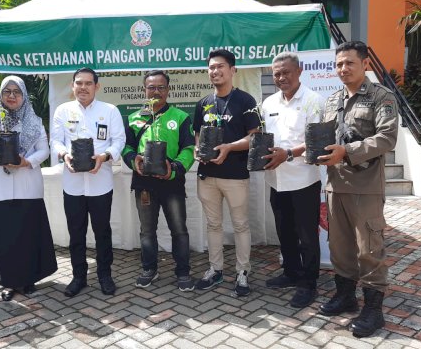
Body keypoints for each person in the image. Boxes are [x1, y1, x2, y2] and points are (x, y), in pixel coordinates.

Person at [316, 41, 398, 338]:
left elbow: (387, 138)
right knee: (340, 247)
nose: (343, 69)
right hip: (336, 185)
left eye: (349, 63)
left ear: (365, 64)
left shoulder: (380, 96)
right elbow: (325, 137)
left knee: (369, 248)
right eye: (338, 64)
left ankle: (374, 310)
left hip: (365, 186)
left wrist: (347, 151)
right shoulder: (332, 100)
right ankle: (346, 296)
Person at [0, 76, 58, 301]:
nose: (12, 96)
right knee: (5, 236)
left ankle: (28, 279)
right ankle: (9, 282)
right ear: (1, 94)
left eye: (17, 92)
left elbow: (44, 151)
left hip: (27, 185)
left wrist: (26, 162)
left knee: (27, 234)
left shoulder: (34, 121)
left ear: (23, 96)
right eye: (7, 91)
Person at [50, 67, 126, 297]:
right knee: (76, 232)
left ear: (96, 86)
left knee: (102, 231)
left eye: (88, 83)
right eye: (79, 83)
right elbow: (55, 141)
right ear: (73, 86)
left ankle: (105, 275)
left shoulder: (109, 111)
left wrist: (105, 156)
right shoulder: (63, 111)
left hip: (101, 183)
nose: (83, 87)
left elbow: (119, 139)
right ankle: (78, 276)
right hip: (72, 185)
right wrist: (64, 155)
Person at [192, 49, 260, 296]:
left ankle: (243, 272)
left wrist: (229, 148)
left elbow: (255, 138)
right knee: (213, 224)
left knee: (241, 225)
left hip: (235, 175)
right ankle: (215, 269)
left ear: (232, 70)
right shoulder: (203, 103)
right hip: (207, 175)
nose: (215, 71)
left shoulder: (246, 101)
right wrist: (198, 149)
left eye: (220, 66)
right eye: (211, 67)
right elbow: (197, 133)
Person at [122, 70, 196, 291]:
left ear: (168, 89)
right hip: (144, 184)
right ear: (145, 90)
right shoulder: (135, 118)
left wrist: (173, 168)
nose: (156, 92)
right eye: (151, 87)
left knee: (179, 229)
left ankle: (183, 272)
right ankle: (149, 269)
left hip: (171, 182)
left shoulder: (180, 117)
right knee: (147, 230)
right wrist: (131, 159)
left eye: (161, 87)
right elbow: (126, 147)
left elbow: (189, 149)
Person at [262, 52, 324, 308]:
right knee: (284, 231)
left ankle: (308, 284)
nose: (281, 77)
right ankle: (291, 273)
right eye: (277, 73)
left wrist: (288, 153)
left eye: (286, 72)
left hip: (304, 181)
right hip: (277, 180)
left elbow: (316, 141)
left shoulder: (314, 101)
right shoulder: (268, 104)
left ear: (299, 71)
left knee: (307, 236)